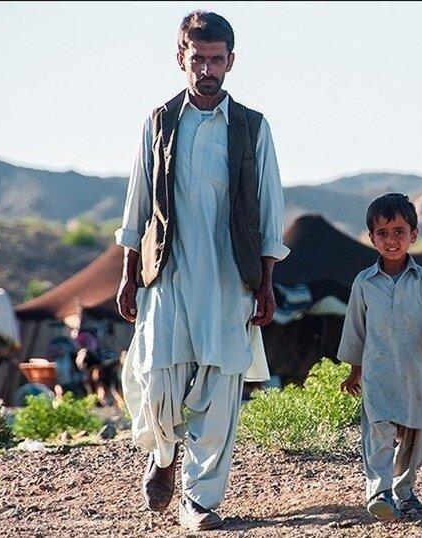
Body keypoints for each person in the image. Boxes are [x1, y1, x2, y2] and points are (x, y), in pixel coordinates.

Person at [114, 11, 288, 531]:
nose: (207, 69)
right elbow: (138, 201)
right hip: (166, 272)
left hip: (228, 276)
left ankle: (200, 499)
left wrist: (266, 282)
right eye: (198, 60)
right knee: (157, 377)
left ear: (231, 62)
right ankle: (163, 455)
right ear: (181, 59)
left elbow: (269, 207)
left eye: (216, 60)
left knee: (220, 388)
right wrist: (128, 272)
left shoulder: (252, 127)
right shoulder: (159, 121)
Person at [337, 193, 422, 520]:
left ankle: (405, 492)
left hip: (414, 373)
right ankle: (379, 492)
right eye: (383, 233)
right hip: (378, 373)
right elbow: (355, 329)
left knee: (414, 437)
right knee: (378, 433)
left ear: (413, 235)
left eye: (399, 232)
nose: (391, 240)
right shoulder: (364, 284)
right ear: (371, 237)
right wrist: (354, 370)